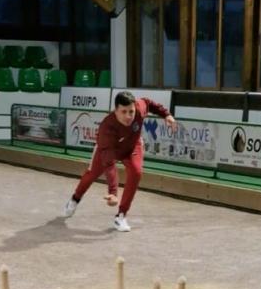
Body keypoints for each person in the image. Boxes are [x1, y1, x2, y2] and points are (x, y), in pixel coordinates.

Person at [63, 91, 176, 232]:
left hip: (132, 146)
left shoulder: (139, 109)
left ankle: (121, 216)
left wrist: (166, 114)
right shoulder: (106, 128)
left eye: (131, 111)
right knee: (91, 174)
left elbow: (148, 103)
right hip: (109, 150)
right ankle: (75, 199)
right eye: (124, 112)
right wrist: (113, 193)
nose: (129, 116)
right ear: (116, 111)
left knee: (136, 172)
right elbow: (109, 164)